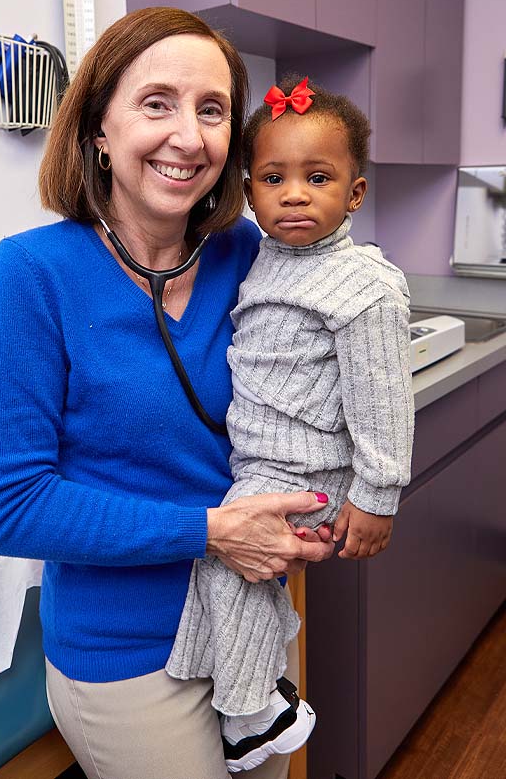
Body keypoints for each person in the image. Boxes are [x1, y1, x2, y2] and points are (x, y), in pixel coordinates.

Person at [0, 10, 335, 779]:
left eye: (212, 109)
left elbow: (305, 397)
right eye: (156, 103)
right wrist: (210, 531)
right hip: (129, 655)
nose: (189, 136)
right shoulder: (35, 274)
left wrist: (328, 504)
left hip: (250, 622)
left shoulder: (246, 254)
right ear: (99, 127)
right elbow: (3, 505)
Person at [166, 76, 415, 773]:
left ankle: (251, 715)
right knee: (219, 563)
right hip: (264, 463)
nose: (295, 193)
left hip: (310, 473)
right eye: (274, 178)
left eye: (318, 177)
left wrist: (377, 497)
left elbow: (384, 401)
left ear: (355, 194)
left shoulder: (362, 284)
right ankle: (246, 687)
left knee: (227, 561)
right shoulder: (265, 259)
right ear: (249, 193)